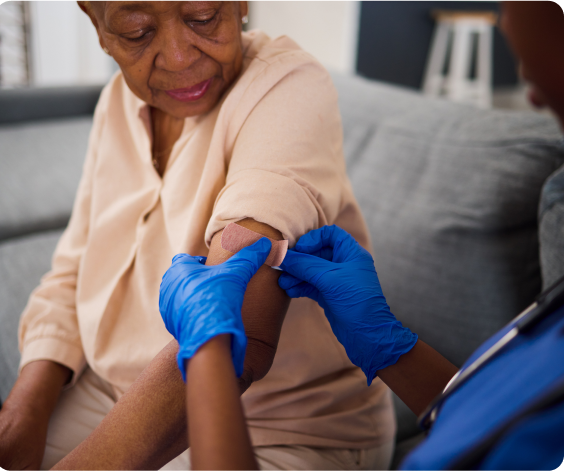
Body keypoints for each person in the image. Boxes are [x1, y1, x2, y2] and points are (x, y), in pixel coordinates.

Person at [157, 0, 564, 470]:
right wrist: (396, 350)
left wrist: (207, 350)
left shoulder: (288, 84)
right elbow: (499, 426)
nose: (531, 97)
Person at [0, 0, 396, 470]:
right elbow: (73, 267)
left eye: (203, 18)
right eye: (137, 32)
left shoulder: (288, 85)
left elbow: (241, 317)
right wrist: (24, 410)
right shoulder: (117, 104)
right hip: (111, 387)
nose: (179, 58)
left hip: (283, 426)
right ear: (97, 28)